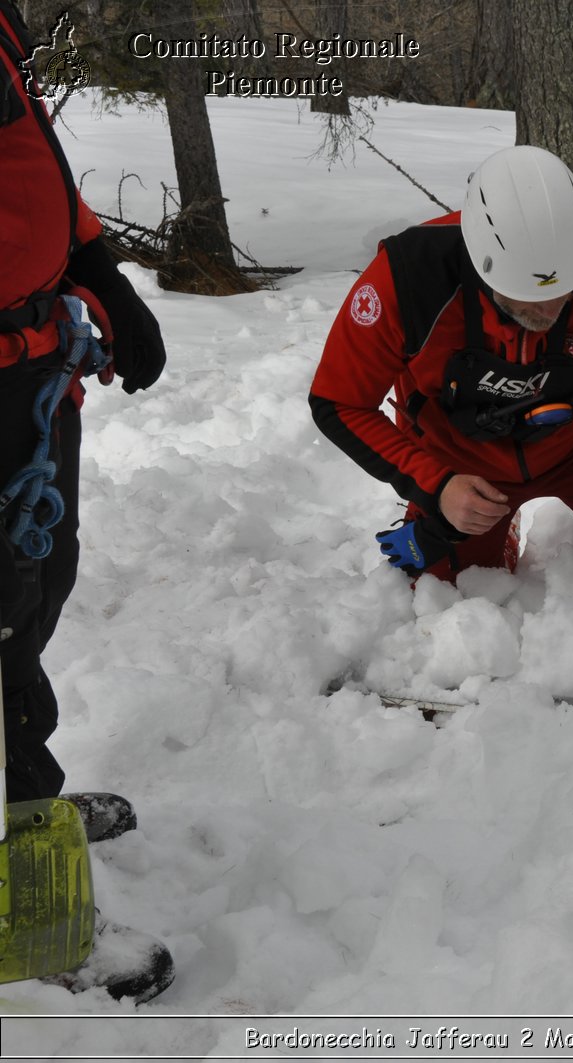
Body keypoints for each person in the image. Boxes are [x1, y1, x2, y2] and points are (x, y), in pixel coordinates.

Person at [311, 145, 573, 655]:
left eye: (561, 293)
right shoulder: (407, 279)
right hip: (464, 462)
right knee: (443, 594)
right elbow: (339, 402)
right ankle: (491, 525)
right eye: (523, 294)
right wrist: (435, 485)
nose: (545, 308)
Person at [0, 0, 173, 1002]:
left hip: (28, 374)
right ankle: (37, 912)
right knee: (3, 630)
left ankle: (29, 816)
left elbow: (29, 166)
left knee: (34, 592)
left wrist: (95, 267)